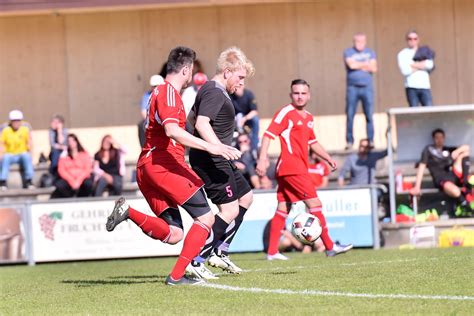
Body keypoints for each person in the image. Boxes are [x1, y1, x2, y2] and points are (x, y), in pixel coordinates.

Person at [105, 46, 241, 286]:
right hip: (163, 164)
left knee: (174, 234)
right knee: (206, 219)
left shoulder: (160, 93)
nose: (191, 77)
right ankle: (177, 276)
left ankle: (128, 212)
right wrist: (212, 147)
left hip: (148, 167)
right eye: (191, 72)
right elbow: (171, 131)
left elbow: (173, 129)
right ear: (186, 70)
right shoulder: (168, 92)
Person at [256, 79, 353, 260]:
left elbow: (312, 143)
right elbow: (268, 135)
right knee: (315, 205)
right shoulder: (285, 113)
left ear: (309, 95)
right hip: (291, 167)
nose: (299, 96)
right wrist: (262, 159)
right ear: (291, 95)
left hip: (294, 168)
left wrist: (328, 158)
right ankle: (330, 247)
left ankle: (272, 252)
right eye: (296, 93)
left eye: (303, 93)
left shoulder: (308, 117)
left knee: (283, 208)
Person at [185, 47, 255, 280]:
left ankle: (219, 250)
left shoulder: (217, 91)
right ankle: (196, 260)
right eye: (240, 77)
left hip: (219, 156)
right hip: (211, 158)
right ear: (227, 72)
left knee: (246, 198)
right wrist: (218, 147)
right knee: (229, 209)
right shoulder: (214, 92)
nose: (241, 83)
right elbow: (202, 124)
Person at [410, 129, 472, 216]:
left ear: (444, 138)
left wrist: (457, 151)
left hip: (452, 175)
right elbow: (422, 167)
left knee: (464, 153)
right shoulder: (428, 150)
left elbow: (466, 148)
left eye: (441, 137)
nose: (439, 140)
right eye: (437, 137)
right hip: (441, 179)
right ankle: (466, 205)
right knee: (455, 190)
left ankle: (465, 182)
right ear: (433, 139)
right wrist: (417, 186)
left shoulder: (447, 149)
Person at [343, 33, 377, 149]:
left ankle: (371, 140)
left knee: (369, 115)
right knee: (350, 114)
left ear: (365, 42)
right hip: (352, 88)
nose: (359, 44)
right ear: (354, 42)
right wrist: (365, 65)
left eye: (362, 41)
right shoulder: (348, 52)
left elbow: (374, 68)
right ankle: (349, 141)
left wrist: (358, 64)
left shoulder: (370, 52)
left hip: (367, 87)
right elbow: (351, 65)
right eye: (357, 41)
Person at [397, 30, 434, 107]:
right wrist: (421, 65)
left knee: (429, 111)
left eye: (415, 38)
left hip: (425, 86)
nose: (412, 40)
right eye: (410, 39)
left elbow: (430, 65)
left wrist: (413, 65)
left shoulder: (424, 51)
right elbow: (405, 71)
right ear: (407, 40)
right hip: (411, 87)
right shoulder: (403, 54)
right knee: (413, 112)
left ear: (418, 39)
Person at [0, 110, 35, 190]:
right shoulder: (6, 131)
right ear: (11, 122)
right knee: (5, 157)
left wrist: (31, 153)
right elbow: (1, 144)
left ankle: (29, 180)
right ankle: (3, 181)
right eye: (14, 121)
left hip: (21, 154)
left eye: (18, 121)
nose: (16, 123)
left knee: (26, 156)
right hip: (10, 154)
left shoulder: (25, 130)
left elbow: (29, 143)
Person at [50, 134, 93, 198]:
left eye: (73, 141)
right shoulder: (64, 155)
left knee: (88, 184)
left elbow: (87, 170)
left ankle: (82, 198)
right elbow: (61, 170)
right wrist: (71, 181)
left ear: (76, 141)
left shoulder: (84, 154)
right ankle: (70, 198)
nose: (71, 143)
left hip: (81, 179)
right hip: (69, 179)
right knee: (60, 185)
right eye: (69, 141)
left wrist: (78, 180)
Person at [138, 74, 165, 148]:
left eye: (157, 86)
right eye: (154, 86)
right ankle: (145, 148)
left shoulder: (166, 94)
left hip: (164, 119)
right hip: (151, 120)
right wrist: (150, 121)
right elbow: (143, 111)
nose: (155, 88)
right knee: (141, 125)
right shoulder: (147, 95)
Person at [231, 85, 260, 152]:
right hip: (234, 118)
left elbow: (254, 111)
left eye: (239, 87)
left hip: (247, 118)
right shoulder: (231, 95)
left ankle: (254, 147)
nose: (237, 90)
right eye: (236, 88)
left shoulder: (249, 94)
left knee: (255, 120)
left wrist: (244, 119)